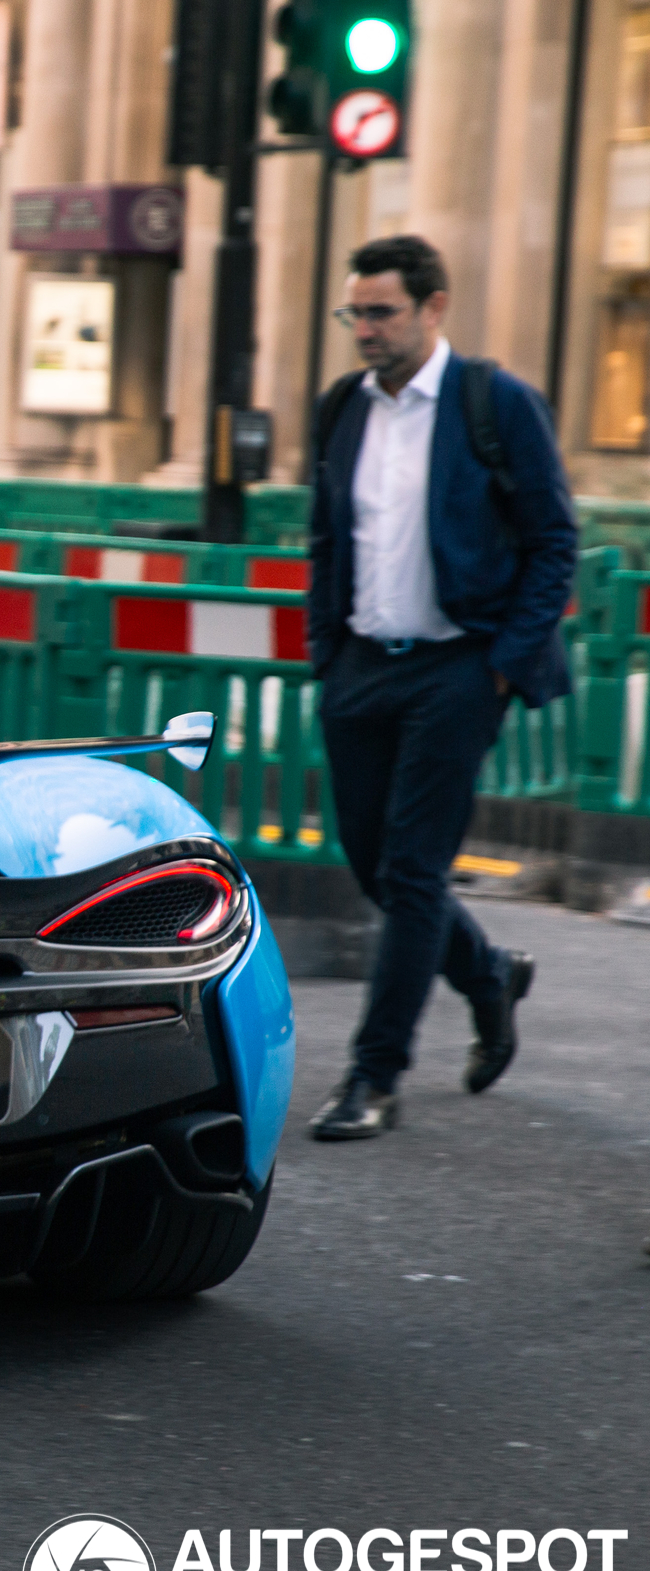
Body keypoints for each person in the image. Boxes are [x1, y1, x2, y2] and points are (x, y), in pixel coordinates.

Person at [302, 235, 575, 1140]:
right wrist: (325, 651)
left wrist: (502, 661)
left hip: (459, 666)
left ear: (433, 307)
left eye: (381, 312)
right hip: (362, 666)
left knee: (413, 872)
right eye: (356, 313)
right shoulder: (344, 406)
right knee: (372, 862)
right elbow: (327, 538)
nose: (365, 330)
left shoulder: (494, 404)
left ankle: (372, 1078)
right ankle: (489, 973)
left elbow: (554, 542)